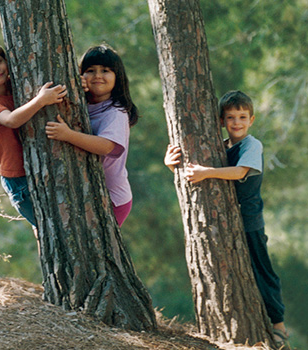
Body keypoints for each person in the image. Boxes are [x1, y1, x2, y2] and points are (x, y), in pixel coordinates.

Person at [164, 90, 289, 349]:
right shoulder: (220, 145)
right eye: (230, 117)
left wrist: (207, 173)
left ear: (251, 119)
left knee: (260, 268)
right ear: (221, 120)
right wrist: (171, 164)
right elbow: (192, 173)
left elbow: (240, 171)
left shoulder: (252, 145)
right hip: (228, 221)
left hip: (249, 219)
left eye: (242, 117)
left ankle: (279, 325)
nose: (237, 123)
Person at [0, 39, 67, 226]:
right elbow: (11, 120)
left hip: (34, 167)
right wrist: (41, 100)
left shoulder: (15, 84)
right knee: (47, 227)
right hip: (17, 179)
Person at [45, 44, 138, 226]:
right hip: (90, 193)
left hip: (113, 198)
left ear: (117, 77)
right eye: (90, 70)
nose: (97, 76)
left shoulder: (116, 112)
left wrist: (68, 135)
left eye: (105, 71)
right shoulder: (83, 102)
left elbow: (106, 146)